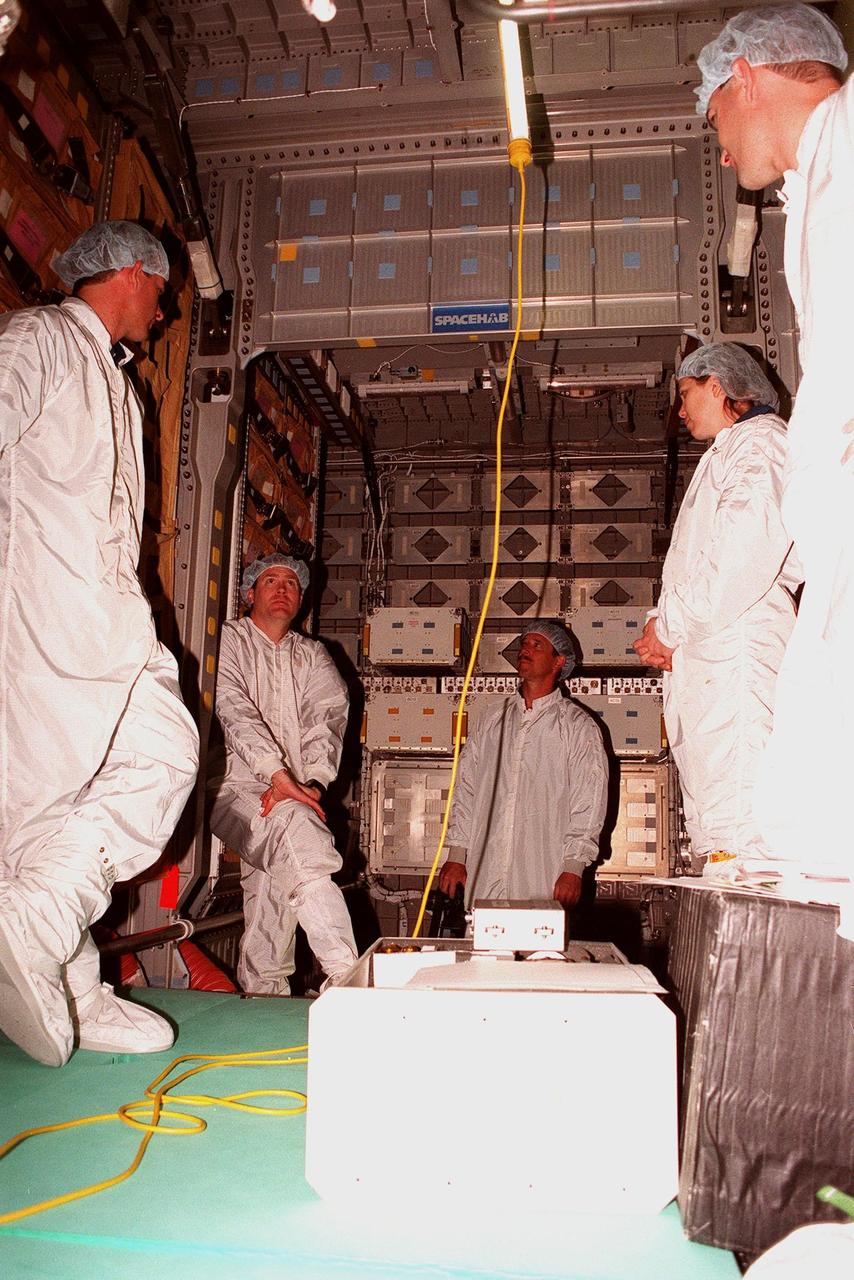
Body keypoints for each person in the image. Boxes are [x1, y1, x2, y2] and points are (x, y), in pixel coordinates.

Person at [0, 221, 200, 1068]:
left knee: (165, 754)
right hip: (42, 612)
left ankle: (45, 936)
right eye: (162, 290)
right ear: (132, 272)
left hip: (111, 613)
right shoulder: (39, 339)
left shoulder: (119, 386)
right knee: (41, 803)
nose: (165, 308)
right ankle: (59, 959)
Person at [695, 5, 852, 889]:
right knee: (812, 830)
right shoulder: (822, 179)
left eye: (714, 115)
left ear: (746, 74)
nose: (721, 150)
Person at [634, 343, 797, 868]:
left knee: (746, 825)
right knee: (721, 830)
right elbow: (699, 563)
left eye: (686, 394)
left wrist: (672, 627)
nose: (681, 411)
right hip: (712, 659)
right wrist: (661, 626)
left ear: (718, 387)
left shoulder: (761, 447)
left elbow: (739, 556)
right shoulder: (728, 455)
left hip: (739, 654)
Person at [209, 554, 358, 994]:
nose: (281, 589)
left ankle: (262, 998)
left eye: (291, 583)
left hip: (291, 793)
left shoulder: (312, 656)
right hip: (232, 786)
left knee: (276, 891)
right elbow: (230, 705)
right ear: (250, 593)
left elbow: (326, 721)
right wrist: (276, 775)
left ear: (301, 599)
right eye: (270, 580)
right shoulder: (228, 641)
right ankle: (347, 973)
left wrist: (311, 783)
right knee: (296, 831)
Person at [438, 621, 608, 910]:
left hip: (544, 874)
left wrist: (574, 866)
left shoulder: (577, 726)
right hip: (485, 869)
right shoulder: (493, 719)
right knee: (483, 948)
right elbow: (465, 789)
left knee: (539, 948)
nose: (524, 650)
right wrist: (456, 854)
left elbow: (589, 800)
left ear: (559, 661)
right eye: (524, 644)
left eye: (536, 645)